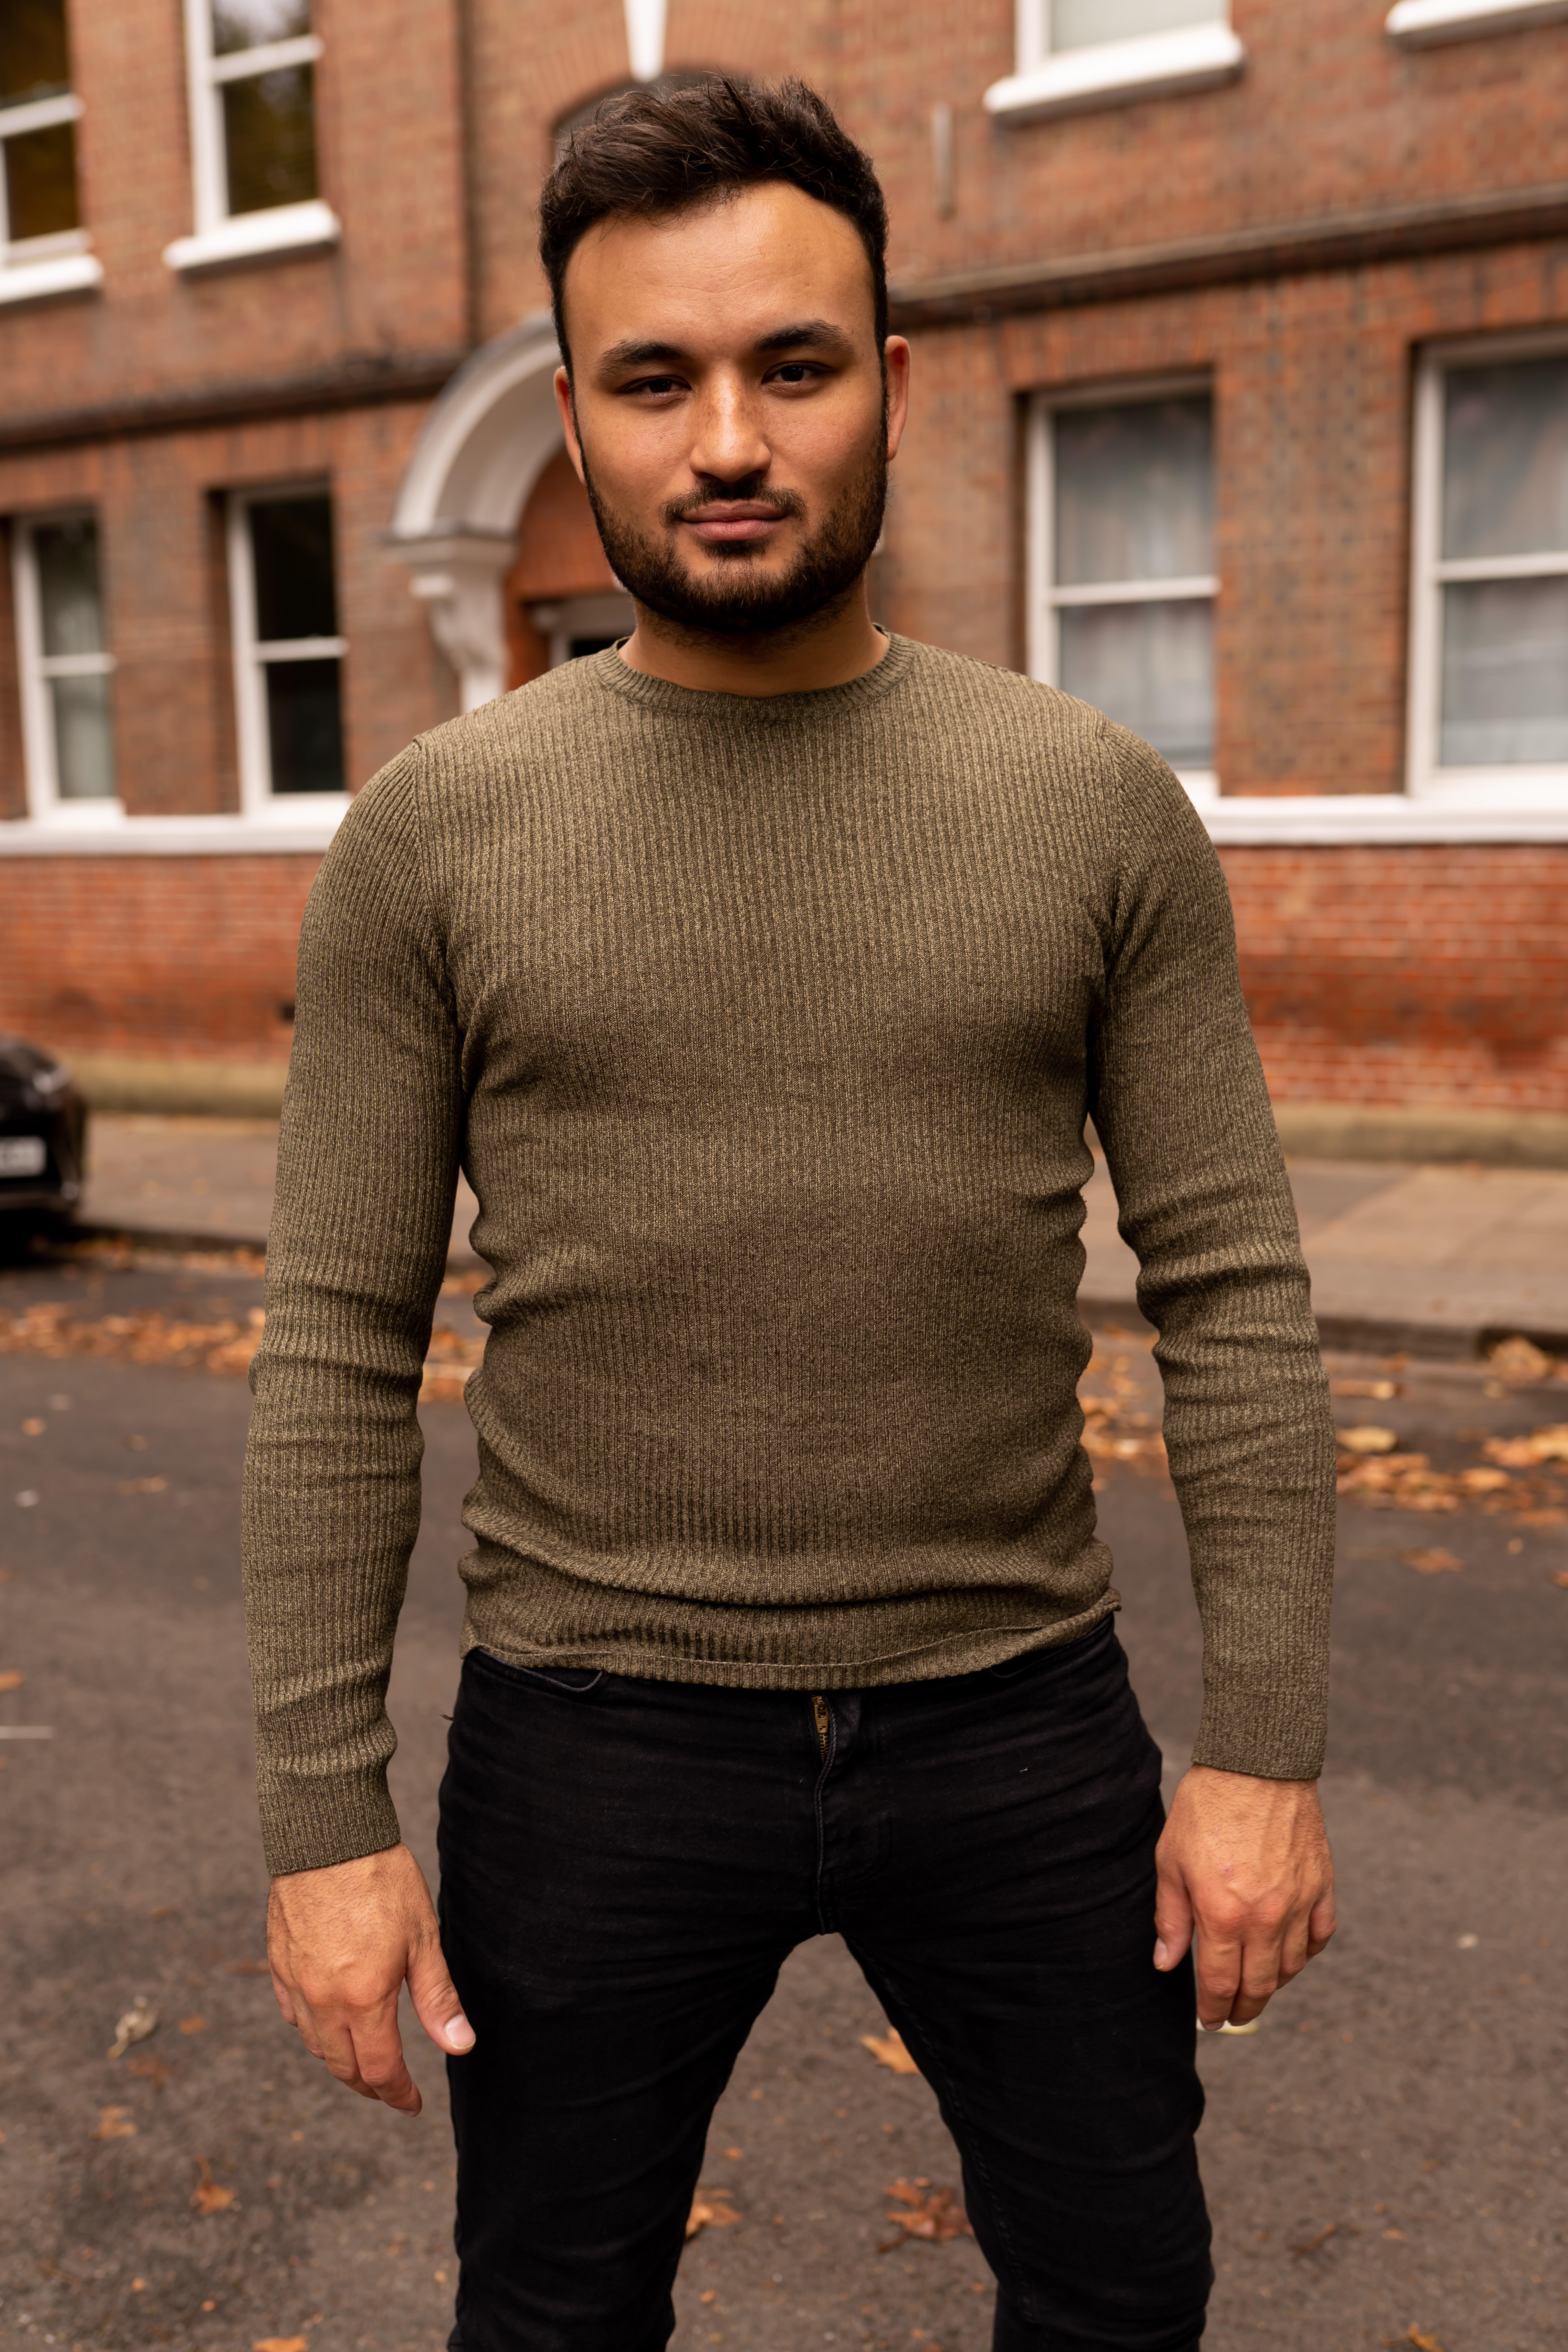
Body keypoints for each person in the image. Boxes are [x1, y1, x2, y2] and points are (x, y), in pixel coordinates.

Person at [245, 75, 1337, 2352]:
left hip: (1019, 1725)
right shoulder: (434, 841)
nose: (723, 438)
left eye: (792, 365)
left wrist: (1266, 1750)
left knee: (1127, 2296)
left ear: (894, 386)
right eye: (652, 380)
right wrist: (320, 1822)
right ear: (574, 411)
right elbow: (336, 1342)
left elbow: (1230, 1294)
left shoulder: (1088, 810)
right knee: (549, 2316)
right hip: (589, 1732)